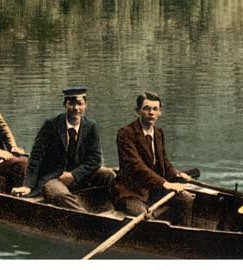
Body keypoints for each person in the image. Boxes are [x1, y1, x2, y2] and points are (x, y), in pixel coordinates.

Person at [11, 86, 115, 209]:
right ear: (65, 104)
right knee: (60, 194)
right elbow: (35, 157)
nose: (76, 108)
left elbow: (95, 159)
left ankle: (117, 208)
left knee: (109, 175)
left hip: (80, 177)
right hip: (54, 178)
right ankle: (84, 217)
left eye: (79, 104)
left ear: (85, 105)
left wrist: (74, 175)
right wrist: (27, 185)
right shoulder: (51, 125)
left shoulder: (90, 126)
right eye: (71, 103)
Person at [111, 92, 194, 227]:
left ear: (159, 112)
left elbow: (165, 163)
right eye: (146, 109)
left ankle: (181, 239)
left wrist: (177, 175)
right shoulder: (125, 134)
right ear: (137, 111)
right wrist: (166, 184)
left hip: (154, 191)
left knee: (186, 200)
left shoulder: (158, 133)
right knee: (144, 217)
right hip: (132, 193)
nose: (151, 113)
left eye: (155, 109)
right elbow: (136, 166)